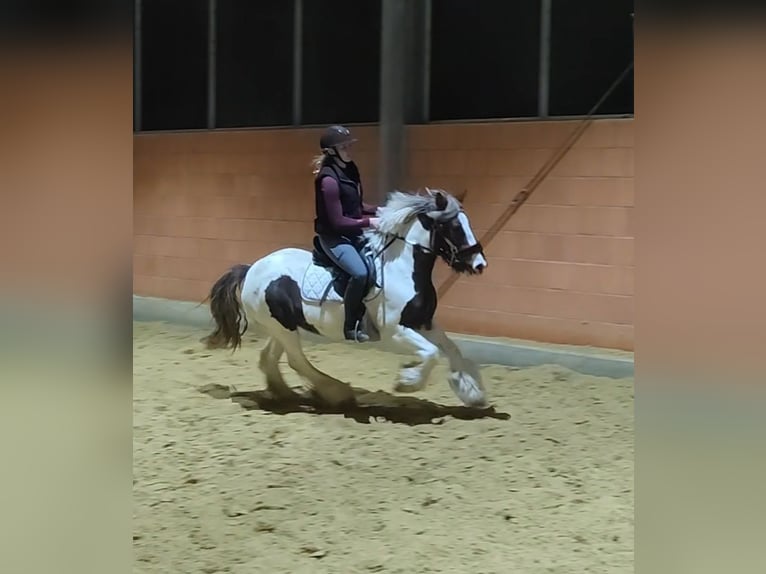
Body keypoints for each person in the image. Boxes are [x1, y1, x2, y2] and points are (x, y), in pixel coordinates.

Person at [312, 125, 380, 343]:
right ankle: (350, 326)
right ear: (332, 151)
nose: (349, 149)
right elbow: (339, 221)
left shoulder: (351, 169)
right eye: (344, 146)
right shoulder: (328, 180)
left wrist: (382, 211)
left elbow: (357, 206)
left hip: (353, 233)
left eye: (349, 145)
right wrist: (370, 222)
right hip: (334, 237)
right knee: (360, 273)